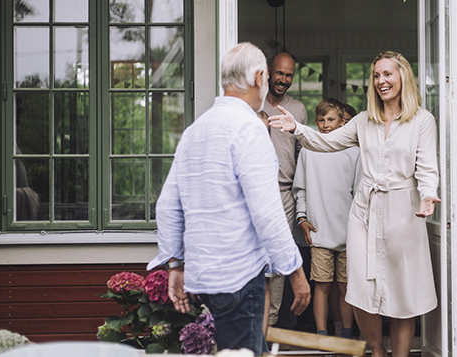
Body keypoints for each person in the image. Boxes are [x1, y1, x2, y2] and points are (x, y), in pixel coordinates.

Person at [269, 51, 440, 357]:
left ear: (403, 77)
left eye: (387, 74)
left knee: (404, 292)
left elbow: (427, 167)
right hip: (364, 213)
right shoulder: (364, 120)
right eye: (376, 76)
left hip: (405, 211)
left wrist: (428, 194)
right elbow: (326, 142)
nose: (381, 81)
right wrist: (297, 128)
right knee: (359, 290)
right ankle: (376, 350)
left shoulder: (422, 121)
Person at [147, 42, 310, 356]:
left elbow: (167, 206)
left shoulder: (196, 131)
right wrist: (296, 272)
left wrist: (176, 265)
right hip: (239, 277)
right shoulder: (250, 130)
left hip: (204, 278)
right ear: (260, 77)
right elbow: (266, 211)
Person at [292, 98, 362, 339]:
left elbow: (360, 193)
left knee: (345, 287)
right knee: (321, 286)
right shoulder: (309, 151)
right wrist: (301, 218)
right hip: (319, 231)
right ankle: (322, 336)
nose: (325, 125)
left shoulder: (354, 152)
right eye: (321, 120)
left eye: (331, 119)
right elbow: (300, 189)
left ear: (343, 121)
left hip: (348, 232)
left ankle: (346, 334)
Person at [263, 52, 309, 329]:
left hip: (284, 193)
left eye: (288, 75)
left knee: (280, 261)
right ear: (268, 71)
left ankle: (272, 324)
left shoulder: (298, 109)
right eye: (279, 73)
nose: (283, 80)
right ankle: (255, 325)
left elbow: (303, 153)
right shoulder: (253, 102)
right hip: (254, 192)